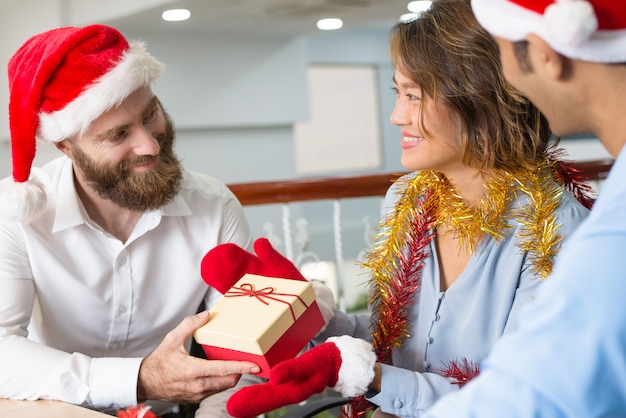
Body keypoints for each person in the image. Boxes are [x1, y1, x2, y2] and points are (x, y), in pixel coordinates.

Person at [215, 1, 592, 417]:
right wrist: (305, 317)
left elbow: (519, 399)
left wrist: (370, 378)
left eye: (414, 95)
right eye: (398, 92)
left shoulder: (554, 228)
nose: (397, 115)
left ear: (481, 97)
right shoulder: (408, 199)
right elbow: (393, 346)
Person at [0, 24, 265, 417]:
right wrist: (138, 377)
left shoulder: (215, 206)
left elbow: (251, 349)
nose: (150, 145)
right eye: (119, 134)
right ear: (65, 146)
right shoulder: (17, 216)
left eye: (150, 114)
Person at [421, 0, 626, 416]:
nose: (507, 83)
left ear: (546, 55)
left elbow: (535, 398)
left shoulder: (604, 234)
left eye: (499, 50)